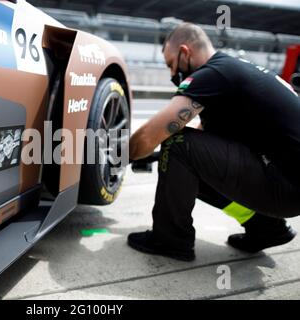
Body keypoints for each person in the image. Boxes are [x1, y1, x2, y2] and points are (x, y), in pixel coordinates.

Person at [128, 23, 300, 261]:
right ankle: (267, 228)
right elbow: (205, 145)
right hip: (287, 183)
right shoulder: (232, 70)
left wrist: (124, 154)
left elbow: (154, 134)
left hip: (284, 185)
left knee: (177, 143)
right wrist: (156, 156)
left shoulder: (212, 74)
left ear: (185, 52)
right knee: (187, 160)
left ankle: (170, 240)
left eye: (171, 64)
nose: (171, 74)